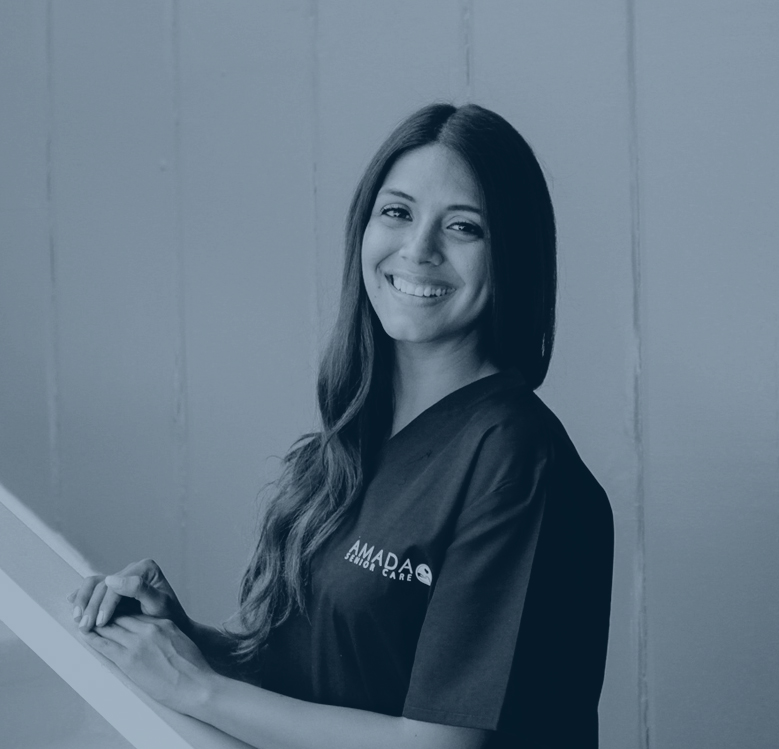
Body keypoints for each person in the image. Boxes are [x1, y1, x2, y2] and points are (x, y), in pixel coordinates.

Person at [66, 102, 615, 749]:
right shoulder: (353, 440)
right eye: (398, 212)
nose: (419, 249)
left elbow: (437, 746)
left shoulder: (515, 460)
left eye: (463, 226)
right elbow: (318, 681)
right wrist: (183, 640)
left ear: (513, 255)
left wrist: (196, 687)